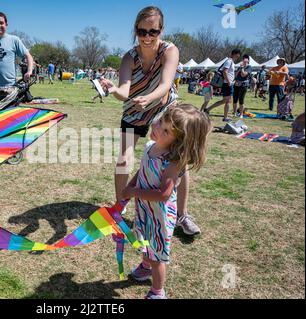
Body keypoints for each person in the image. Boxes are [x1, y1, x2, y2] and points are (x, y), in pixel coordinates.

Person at [99, 6, 201, 236]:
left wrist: (150, 97)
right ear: (135, 30)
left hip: (164, 108)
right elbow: (125, 91)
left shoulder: (169, 50)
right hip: (135, 108)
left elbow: (166, 84)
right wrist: (114, 89)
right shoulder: (129, 56)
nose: (146, 37)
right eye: (141, 31)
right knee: (124, 156)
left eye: (152, 32)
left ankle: (182, 216)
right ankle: (119, 209)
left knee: (178, 161)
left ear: (161, 30)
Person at [123, 104, 212, 299]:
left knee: (158, 255)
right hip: (145, 208)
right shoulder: (150, 147)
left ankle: (157, 292)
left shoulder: (171, 162)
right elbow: (143, 170)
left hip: (160, 216)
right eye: (161, 122)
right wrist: (130, 188)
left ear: (178, 141)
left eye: (166, 131)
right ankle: (146, 266)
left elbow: (164, 194)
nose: (157, 128)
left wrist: (135, 191)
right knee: (145, 241)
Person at [0, 11, 34, 99]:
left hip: (10, 86)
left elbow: (28, 56)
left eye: (1, 23)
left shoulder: (14, 40)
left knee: (9, 112)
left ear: (6, 24)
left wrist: (29, 71)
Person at [204, 49, 241, 122]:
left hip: (228, 83)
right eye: (238, 54)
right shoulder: (229, 61)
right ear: (234, 54)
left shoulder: (231, 62)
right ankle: (225, 117)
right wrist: (229, 82)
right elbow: (225, 71)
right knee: (228, 101)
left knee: (225, 101)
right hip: (227, 84)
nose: (238, 56)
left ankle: (207, 109)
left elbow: (230, 73)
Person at [233, 54, 252, 118]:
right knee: (235, 99)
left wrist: (242, 68)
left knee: (241, 100)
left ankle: (241, 114)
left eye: (246, 59)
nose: (244, 60)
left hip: (243, 85)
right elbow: (235, 75)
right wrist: (240, 68)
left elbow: (243, 75)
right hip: (236, 84)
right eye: (243, 58)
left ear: (248, 61)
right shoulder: (240, 67)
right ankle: (234, 113)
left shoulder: (249, 67)